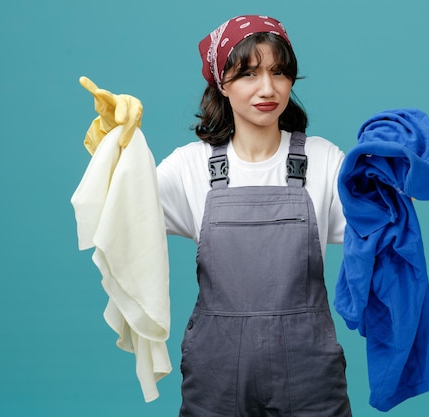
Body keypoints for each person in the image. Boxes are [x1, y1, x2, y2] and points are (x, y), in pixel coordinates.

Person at [78, 15, 352, 417]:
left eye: (279, 72)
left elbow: (378, 226)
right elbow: (122, 213)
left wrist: (396, 170)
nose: (267, 88)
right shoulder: (189, 166)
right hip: (217, 374)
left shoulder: (324, 160)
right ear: (221, 83)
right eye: (248, 74)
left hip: (308, 373)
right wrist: (115, 150)